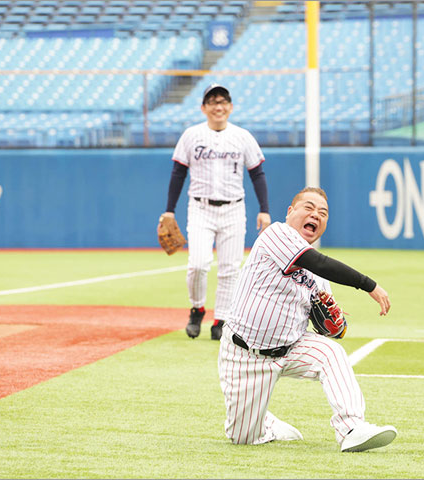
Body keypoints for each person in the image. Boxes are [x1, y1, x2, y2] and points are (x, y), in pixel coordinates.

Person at [218, 187, 397, 452]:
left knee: (332, 352)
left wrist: (336, 328)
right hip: (245, 353)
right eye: (309, 208)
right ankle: (265, 422)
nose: (316, 215)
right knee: (243, 437)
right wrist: (368, 284)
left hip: (291, 348)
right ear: (291, 212)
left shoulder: (320, 280)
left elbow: (328, 326)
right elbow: (318, 262)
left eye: (323, 213)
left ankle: (351, 427)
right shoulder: (277, 234)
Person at [161, 84, 271, 341]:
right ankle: (197, 308)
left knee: (229, 269)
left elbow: (257, 173)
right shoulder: (191, 135)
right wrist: (169, 210)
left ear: (230, 108)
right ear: (203, 108)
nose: (218, 106)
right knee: (198, 264)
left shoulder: (243, 137)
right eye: (212, 101)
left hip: (234, 208)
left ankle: (221, 319)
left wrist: (264, 210)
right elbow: (178, 173)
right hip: (200, 207)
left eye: (223, 101)